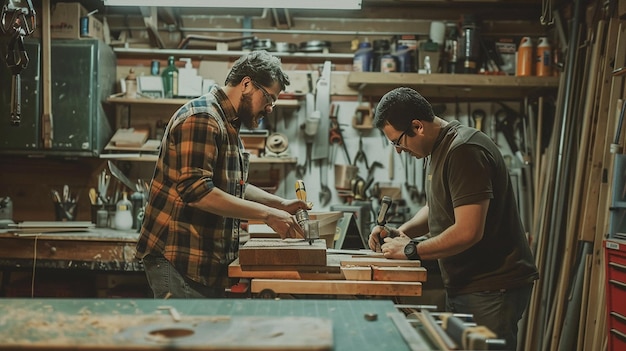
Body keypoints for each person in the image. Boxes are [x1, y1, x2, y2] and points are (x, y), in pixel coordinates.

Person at [369, 87, 539, 350]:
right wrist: (401, 233)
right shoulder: (439, 149)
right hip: (468, 283)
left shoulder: (464, 150)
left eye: (398, 142)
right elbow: (437, 205)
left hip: (491, 286)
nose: (399, 151)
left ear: (417, 126)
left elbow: (468, 231)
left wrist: (411, 250)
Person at [136, 51, 309, 299]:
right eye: (268, 98)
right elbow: (197, 191)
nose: (270, 108)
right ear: (247, 84)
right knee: (188, 337)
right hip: (179, 259)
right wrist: (267, 215)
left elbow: (232, 185)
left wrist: (278, 203)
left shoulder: (227, 122)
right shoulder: (203, 117)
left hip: (202, 262)